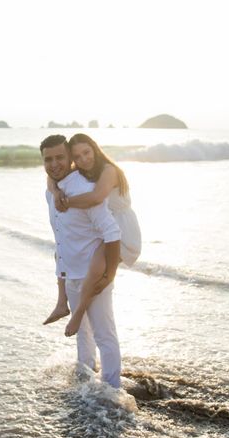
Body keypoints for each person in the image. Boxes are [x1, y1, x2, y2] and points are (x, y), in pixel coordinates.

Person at [41, 134, 122, 388]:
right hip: (71, 274)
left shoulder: (84, 189)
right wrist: (62, 278)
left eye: (60, 158)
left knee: (104, 334)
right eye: (48, 159)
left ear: (70, 159)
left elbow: (112, 232)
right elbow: (60, 238)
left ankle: (111, 390)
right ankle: (85, 382)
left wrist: (109, 274)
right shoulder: (51, 191)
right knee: (82, 334)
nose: (54, 164)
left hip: (93, 274)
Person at [44, 133, 141, 337]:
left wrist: (65, 202)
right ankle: (62, 302)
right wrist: (56, 193)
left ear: (95, 149)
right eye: (77, 157)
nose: (83, 159)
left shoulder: (108, 170)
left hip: (123, 231)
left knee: (96, 268)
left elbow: (96, 198)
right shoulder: (84, 172)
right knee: (59, 253)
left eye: (87, 152)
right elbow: (50, 179)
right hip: (106, 226)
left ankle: (78, 314)